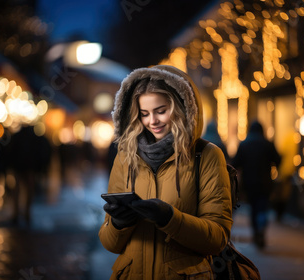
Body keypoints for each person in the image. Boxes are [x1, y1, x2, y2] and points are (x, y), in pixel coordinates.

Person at [98, 65, 233, 279]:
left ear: (181, 107)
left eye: (161, 111)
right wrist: (118, 223)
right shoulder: (125, 156)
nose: (153, 121)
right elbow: (109, 243)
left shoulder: (206, 156)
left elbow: (217, 238)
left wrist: (170, 218)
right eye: (144, 113)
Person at [231, 120, 281, 249]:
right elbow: (278, 160)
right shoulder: (268, 144)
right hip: (265, 183)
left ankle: (256, 232)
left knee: (253, 208)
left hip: (249, 183)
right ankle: (261, 228)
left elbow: (235, 163)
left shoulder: (244, 144)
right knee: (262, 207)